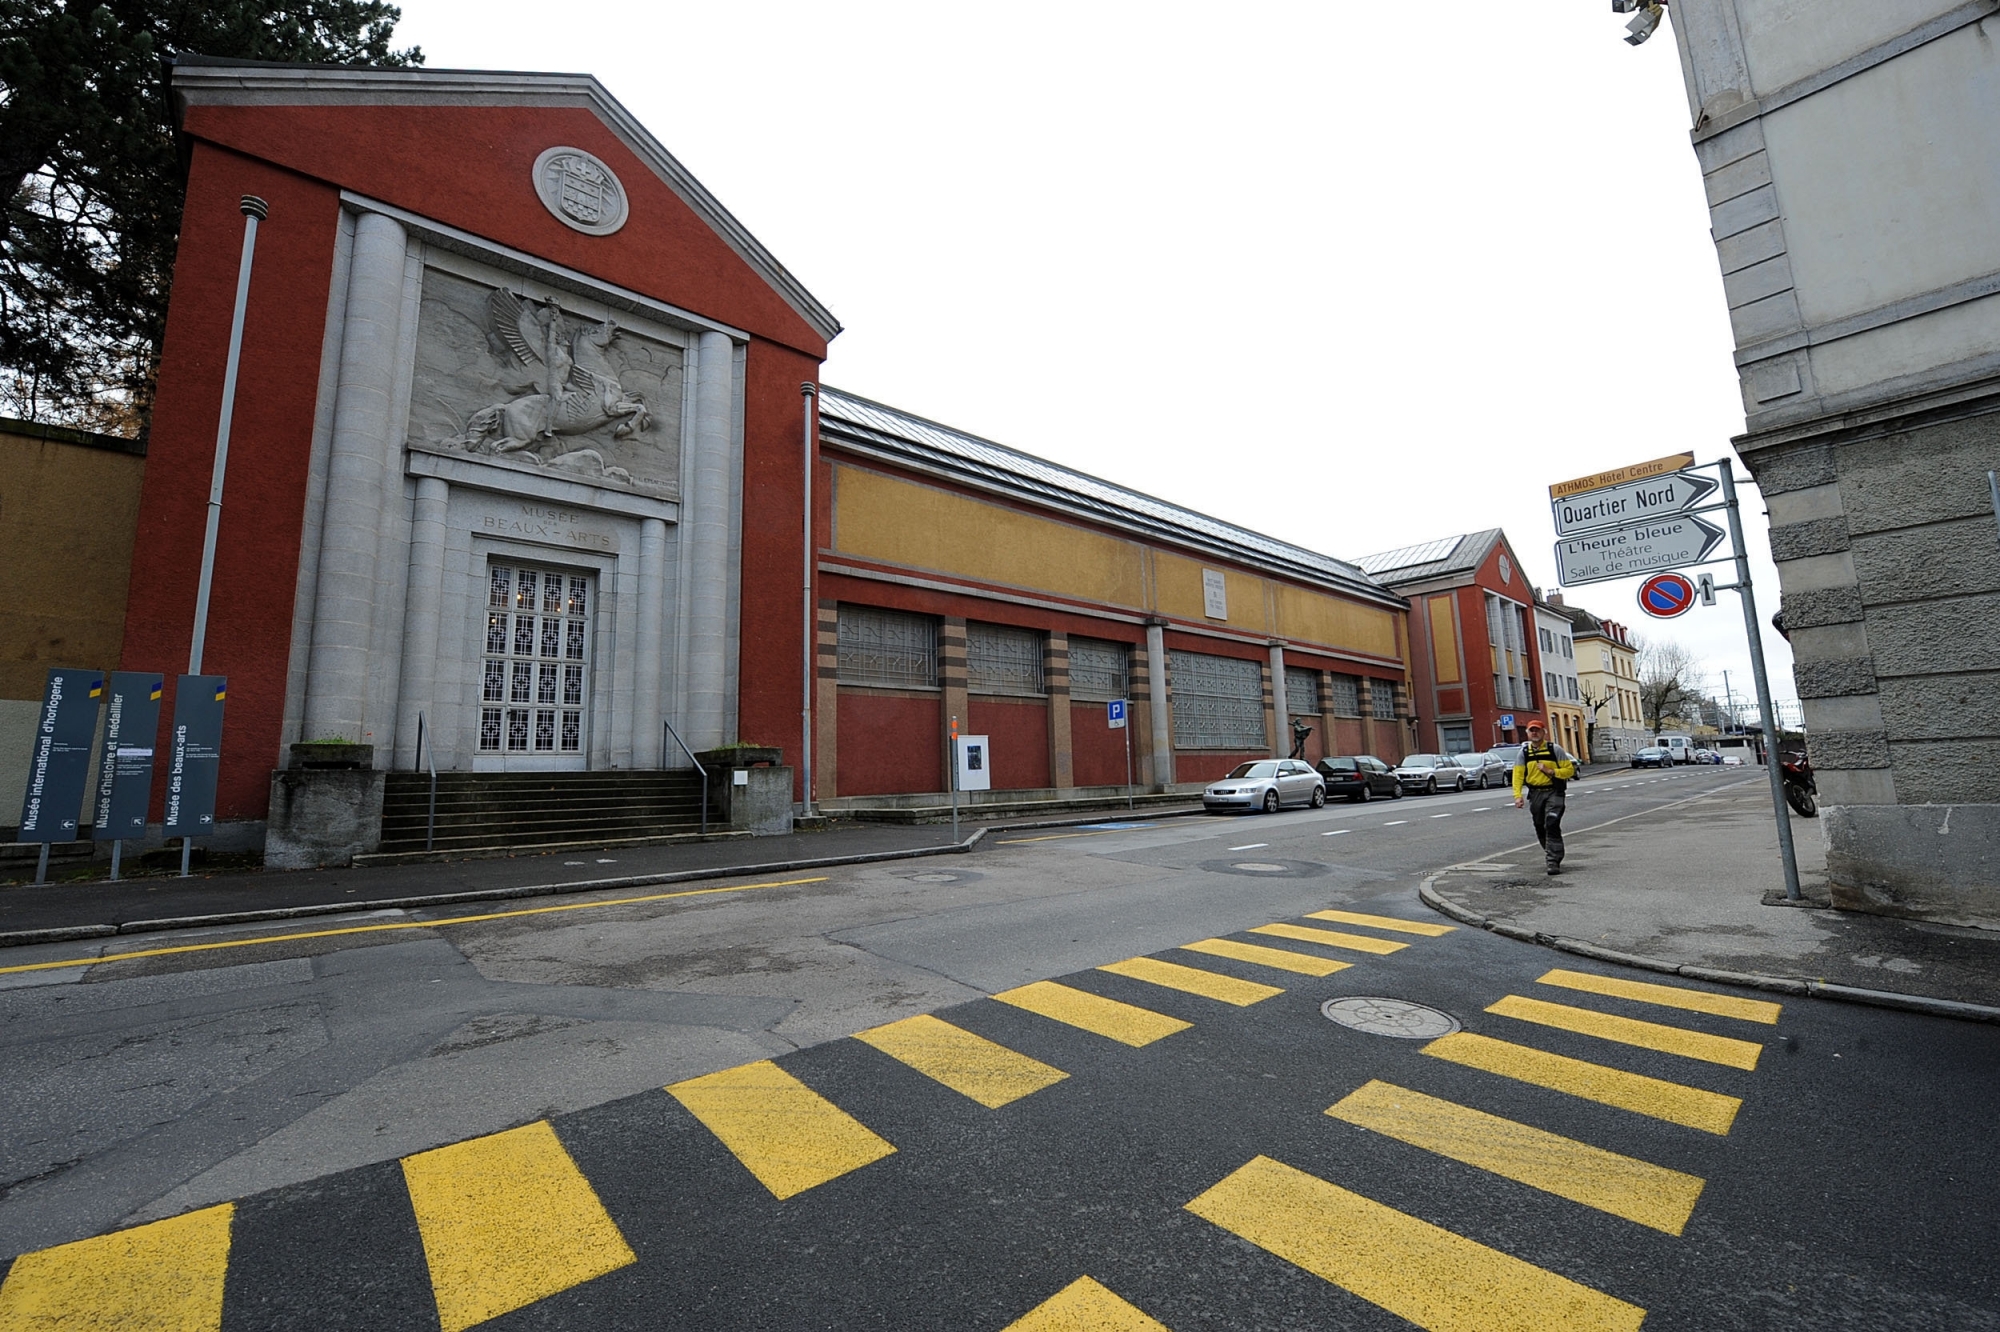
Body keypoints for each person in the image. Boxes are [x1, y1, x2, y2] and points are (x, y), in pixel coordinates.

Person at [1511, 719, 1577, 875]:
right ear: (1527, 733)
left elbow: (1569, 771)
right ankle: (1551, 851)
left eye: (1537, 730)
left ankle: (1553, 860)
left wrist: (1551, 772)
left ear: (1543, 732)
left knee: (1552, 822)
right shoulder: (1524, 753)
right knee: (1540, 825)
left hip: (1554, 792)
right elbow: (1518, 775)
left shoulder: (1555, 750)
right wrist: (1517, 796)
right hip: (1535, 794)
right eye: (1531, 730)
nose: (1534, 733)